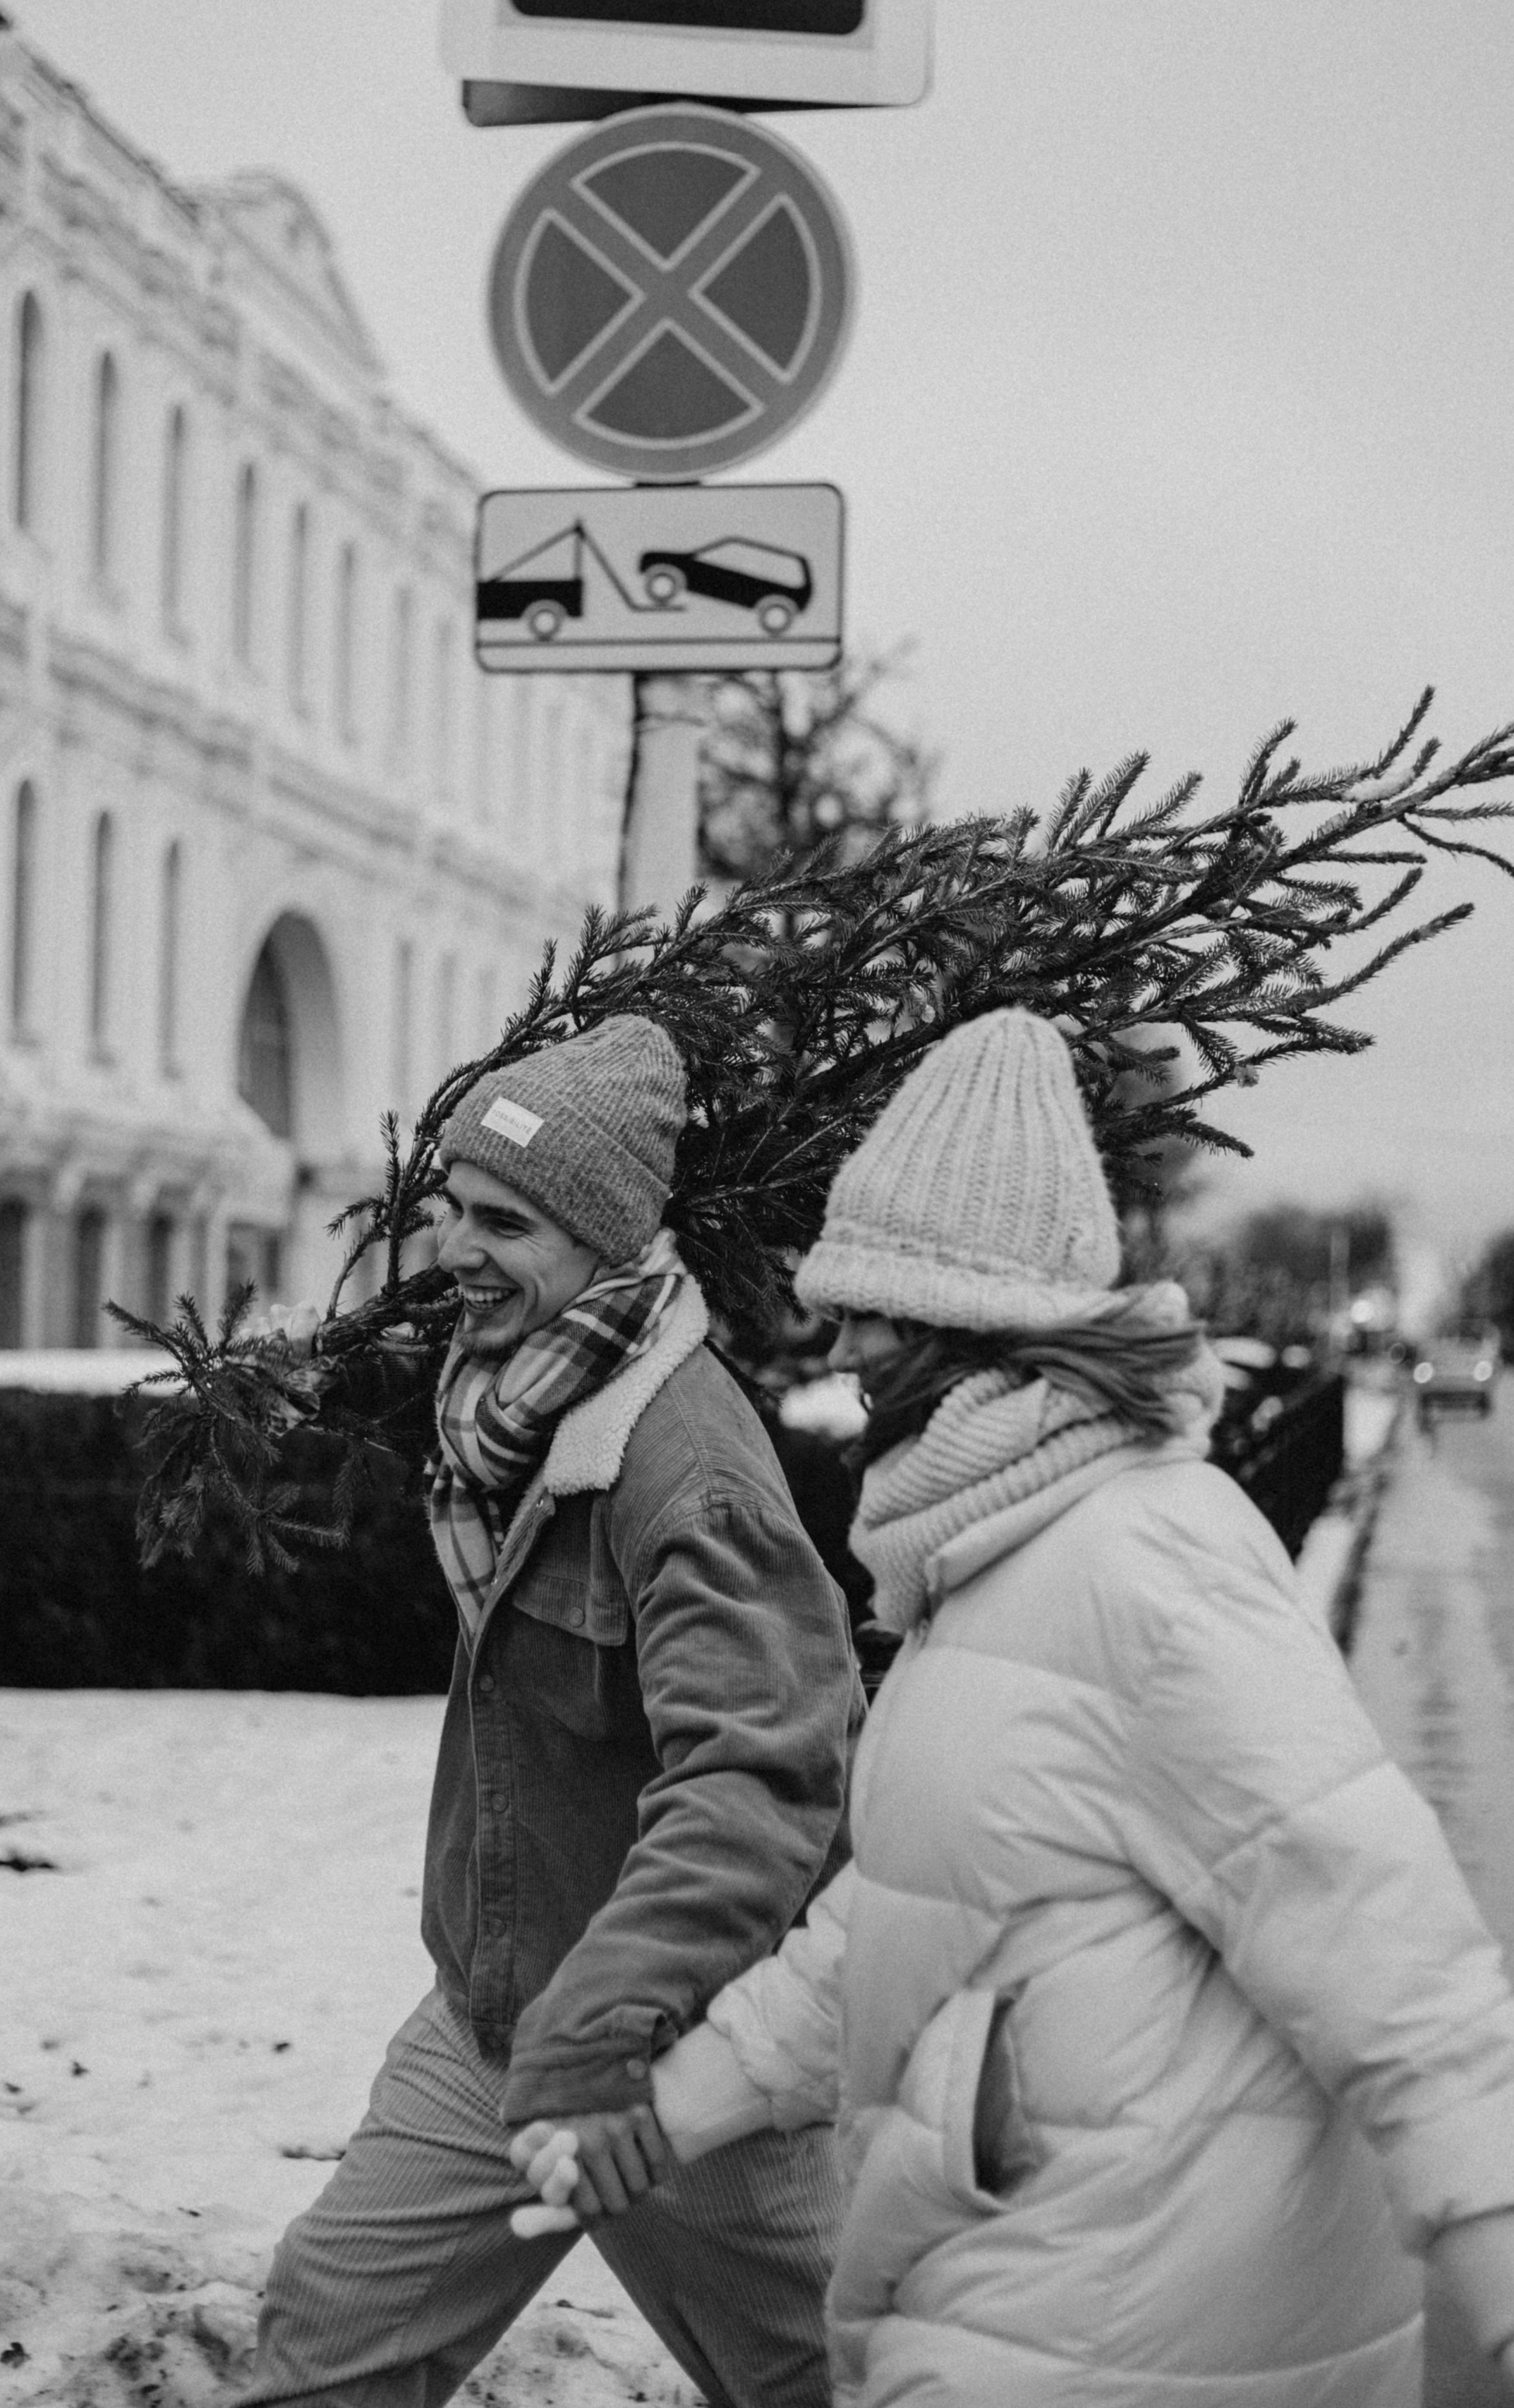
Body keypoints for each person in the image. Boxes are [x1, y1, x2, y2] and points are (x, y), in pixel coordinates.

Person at [514, 1007, 1514, 2407]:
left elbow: (1382, 1942)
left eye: (877, 1309)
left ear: (978, 1322)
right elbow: (896, 1921)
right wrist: (665, 2113)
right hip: (1025, 2299)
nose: (842, 1346)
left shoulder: (1141, 1562)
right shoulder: (987, 1556)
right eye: (839, 1306)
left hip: (1124, 2331)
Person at [246, 1014, 862, 2408]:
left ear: (601, 1244)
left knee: (835, 2383)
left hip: (675, 2061)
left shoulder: (682, 1473)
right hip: (495, 2025)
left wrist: (603, 2025)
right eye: (452, 1207)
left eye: (506, 1221)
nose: (455, 1249)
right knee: (321, 2336)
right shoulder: (509, 1412)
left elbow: (755, 1785)